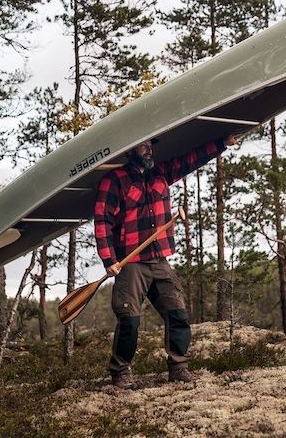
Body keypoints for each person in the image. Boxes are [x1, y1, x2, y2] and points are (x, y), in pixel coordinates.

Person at [94, 134, 238, 390]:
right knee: (129, 320)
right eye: (142, 145)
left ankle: (178, 366)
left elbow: (191, 160)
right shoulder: (114, 181)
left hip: (159, 259)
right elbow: (102, 221)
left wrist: (221, 144)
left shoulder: (161, 173)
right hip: (131, 262)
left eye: (150, 145)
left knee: (178, 314)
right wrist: (109, 259)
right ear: (130, 150)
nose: (148, 150)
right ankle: (120, 373)